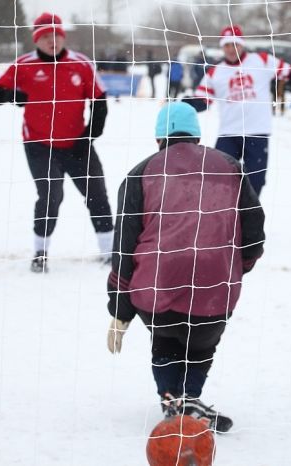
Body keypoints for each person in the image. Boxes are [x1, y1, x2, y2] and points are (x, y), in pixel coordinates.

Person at [105, 102, 265, 433]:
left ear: (158, 139)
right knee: (202, 345)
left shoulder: (140, 172)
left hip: (156, 286)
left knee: (165, 342)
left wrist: (120, 309)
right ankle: (189, 397)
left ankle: (172, 399)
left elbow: (124, 244)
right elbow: (254, 230)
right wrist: (237, 267)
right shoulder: (230, 165)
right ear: (197, 135)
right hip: (215, 285)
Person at [0, 12, 114, 272]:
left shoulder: (81, 63)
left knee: (97, 194)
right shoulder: (24, 64)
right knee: (51, 196)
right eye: (45, 37)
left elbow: (100, 102)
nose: (51, 41)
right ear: (36, 40)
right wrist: (11, 94)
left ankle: (110, 253)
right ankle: (40, 252)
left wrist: (88, 137)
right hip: (40, 145)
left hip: (78, 145)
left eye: (55, 35)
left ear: (63, 36)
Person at [184, 24, 291, 195]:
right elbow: (203, 99)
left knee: (255, 182)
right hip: (229, 134)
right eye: (227, 45)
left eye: (235, 44)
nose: (231, 49)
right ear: (222, 47)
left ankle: (249, 217)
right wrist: (186, 104)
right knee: (218, 178)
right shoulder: (215, 72)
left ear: (242, 44)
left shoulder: (262, 60)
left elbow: (289, 72)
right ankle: (222, 217)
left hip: (257, 133)